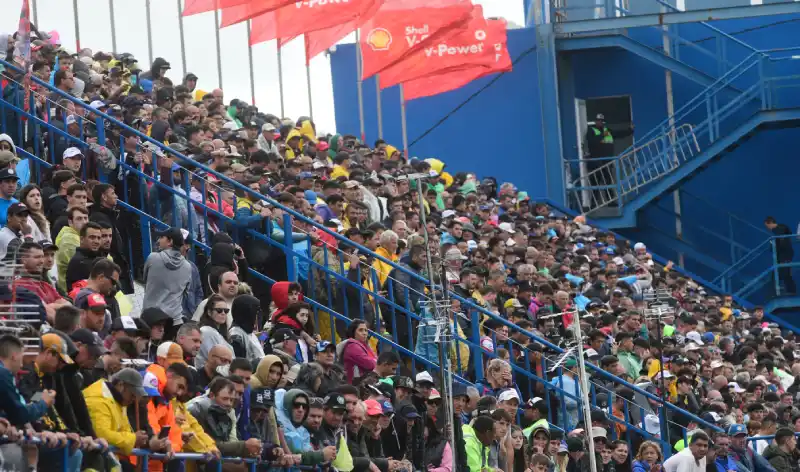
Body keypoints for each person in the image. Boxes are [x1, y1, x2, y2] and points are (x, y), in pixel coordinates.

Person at [83, 368, 171, 471]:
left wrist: (150, 442)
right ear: (121, 385)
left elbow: (126, 431)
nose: (134, 399)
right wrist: (134, 438)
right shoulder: (98, 400)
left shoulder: (119, 401)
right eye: (132, 394)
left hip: (106, 458)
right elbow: (102, 434)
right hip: (90, 459)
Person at [143, 227, 192, 332]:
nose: (158, 240)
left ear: (170, 242)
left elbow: (145, 281)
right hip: (175, 321)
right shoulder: (188, 267)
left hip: (151, 319)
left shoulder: (153, 258)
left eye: (161, 237)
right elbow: (186, 293)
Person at [55, 206, 89, 292]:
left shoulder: (80, 236)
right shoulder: (69, 239)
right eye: (79, 219)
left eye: (85, 218)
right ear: (70, 222)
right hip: (70, 290)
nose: (84, 222)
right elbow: (84, 266)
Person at [337, 320, 377, 384]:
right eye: (360, 330)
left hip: (364, 382)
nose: (364, 333)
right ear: (353, 332)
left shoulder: (365, 345)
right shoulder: (352, 346)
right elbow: (371, 364)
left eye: (366, 330)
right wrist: (376, 362)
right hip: (354, 385)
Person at [764, 217, 796, 295]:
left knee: (780, 274)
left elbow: (781, 243)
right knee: (785, 274)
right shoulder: (782, 228)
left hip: (783, 255)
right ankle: (789, 291)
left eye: (767, 226)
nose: (767, 228)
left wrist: (773, 245)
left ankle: (778, 292)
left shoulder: (778, 230)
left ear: (770, 223)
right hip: (785, 254)